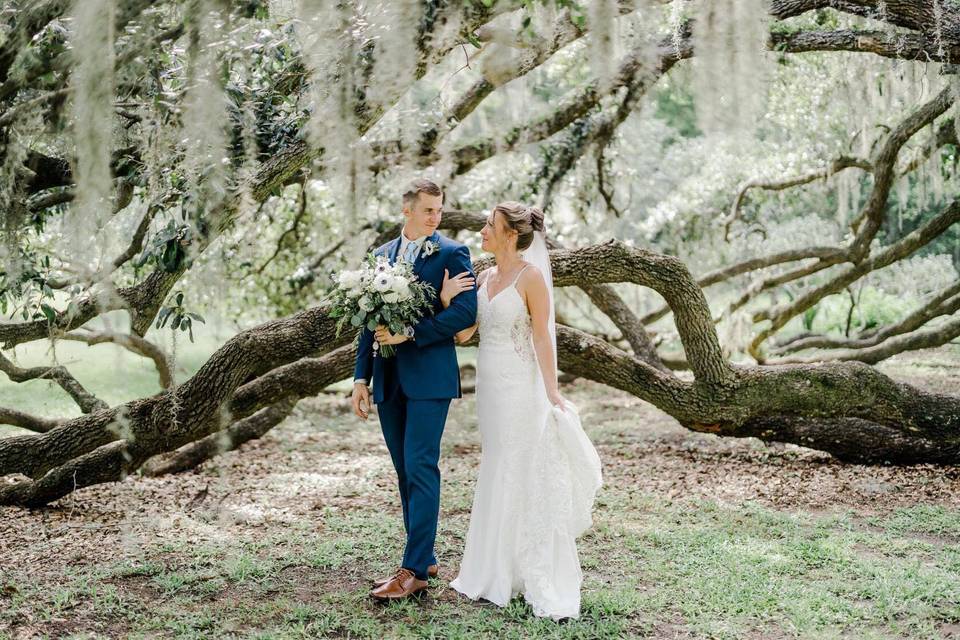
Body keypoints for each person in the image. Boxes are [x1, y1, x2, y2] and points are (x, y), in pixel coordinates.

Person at [441, 201, 603, 620]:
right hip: (490, 387)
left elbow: (544, 338)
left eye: (489, 225)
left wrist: (551, 391)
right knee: (497, 462)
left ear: (510, 234)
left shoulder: (531, 278)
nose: (482, 230)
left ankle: (522, 568)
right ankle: (491, 568)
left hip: (522, 385)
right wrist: (446, 302)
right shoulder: (483, 276)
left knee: (521, 464)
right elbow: (464, 334)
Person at [351, 178, 478, 600]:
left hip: (430, 378)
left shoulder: (452, 252)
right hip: (387, 379)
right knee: (405, 471)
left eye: (439, 210)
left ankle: (413, 572)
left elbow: (465, 313)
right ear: (407, 210)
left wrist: (410, 333)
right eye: (428, 210)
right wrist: (360, 378)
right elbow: (366, 324)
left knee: (421, 466)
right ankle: (423, 557)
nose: (436, 217)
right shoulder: (380, 256)